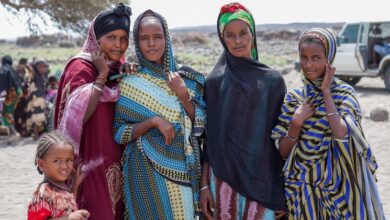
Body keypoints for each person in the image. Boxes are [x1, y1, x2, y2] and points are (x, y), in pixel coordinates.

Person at [271, 28, 385, 219]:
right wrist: (296, 123)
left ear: (328, 58)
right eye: (303, 57)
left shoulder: (344, 94)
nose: (308, 65)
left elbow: (342, 134)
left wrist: (326, 93)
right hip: (301, 190)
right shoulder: (294, 98)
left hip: (340, 188)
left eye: (316, 58)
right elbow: (283, 152)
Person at [113, 9, 206, 219]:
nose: (152, 44)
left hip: (183, 171)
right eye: (144, 39)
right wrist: (153, 122)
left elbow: (202, 126)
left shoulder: (188, 80)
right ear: (136, 42)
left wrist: (182, 94)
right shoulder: (129, 82)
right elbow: (119, 133)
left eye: (157, 37)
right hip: (144, 173)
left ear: (167, 38)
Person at [200, 3, 286, 219]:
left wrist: (279, 191)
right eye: (230, 35)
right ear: (222, 38)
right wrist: (204, 187)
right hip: (222, 184)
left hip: (263, 186)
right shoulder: (214, 82)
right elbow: (208, 141)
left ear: (252, 34)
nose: (238, 41)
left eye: (243, 33)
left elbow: (278, 141)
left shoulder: (273, 81)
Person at [54, 3, 131, 219]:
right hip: (88, 165)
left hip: (115, 162)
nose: (118, 44)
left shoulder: (119, 69)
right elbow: (79, 117)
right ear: (96, 39)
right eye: (111, 37)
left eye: (123, 38)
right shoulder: (80, 68)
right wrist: (101, 77)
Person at [28, 130, 90, 220]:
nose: (64, 166)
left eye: (69, 160)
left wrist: (75, 185)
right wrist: (69, 218)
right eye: (57, 161)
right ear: (41, 164)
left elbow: (65, 206)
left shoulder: (61, 186)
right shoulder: (43, 193)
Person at [26, 59, 49, 139]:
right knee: (35, 117)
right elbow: (28, 67)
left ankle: (38, 134)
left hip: (40, 100)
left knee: (41, 117)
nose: (42, 69)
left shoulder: (42, 76)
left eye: (44, 67)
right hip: (34, 100)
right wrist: (31, 65)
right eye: (40, 67)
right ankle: (35, 134)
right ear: (36, 67)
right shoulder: (33, 75)